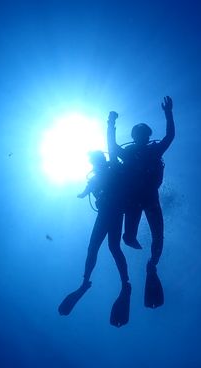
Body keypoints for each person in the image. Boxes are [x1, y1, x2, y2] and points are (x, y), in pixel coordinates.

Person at [58, 113, 131, 327]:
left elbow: (110, 144)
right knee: (103, 247)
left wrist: (111, 123)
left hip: (113, 212)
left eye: (94, 161)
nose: (94, 164)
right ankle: (94, 282)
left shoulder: (112, 167)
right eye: (92, 162)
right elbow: (89, 188)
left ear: (101, 160)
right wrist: (83, 193)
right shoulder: (97, 176)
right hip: (110, 213)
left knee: (108, 247)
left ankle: (116, 282)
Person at [108, 96, 175, 308]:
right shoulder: (129, 153)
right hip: (134, 200)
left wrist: (169, 113)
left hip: (149, 198)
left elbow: (170, 137)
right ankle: (148, 263)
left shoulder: (154, 150)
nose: (141, 137)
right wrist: (110, 124)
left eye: (144, 134)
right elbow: (112, 147)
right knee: (128, 238)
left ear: (147, 136)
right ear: (135, 136)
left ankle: (152, 265)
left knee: (158, 237)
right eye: (139, 134)